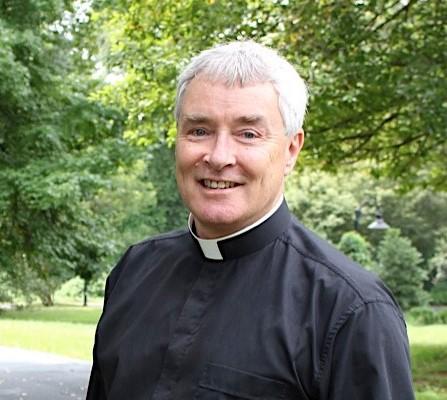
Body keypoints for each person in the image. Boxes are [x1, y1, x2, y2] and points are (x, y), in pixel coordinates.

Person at [86, 41, 415, 400]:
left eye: (248, 134)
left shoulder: (350, 310)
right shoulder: (134, 271)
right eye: (199, 131)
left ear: (291, 150)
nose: (219, 157)